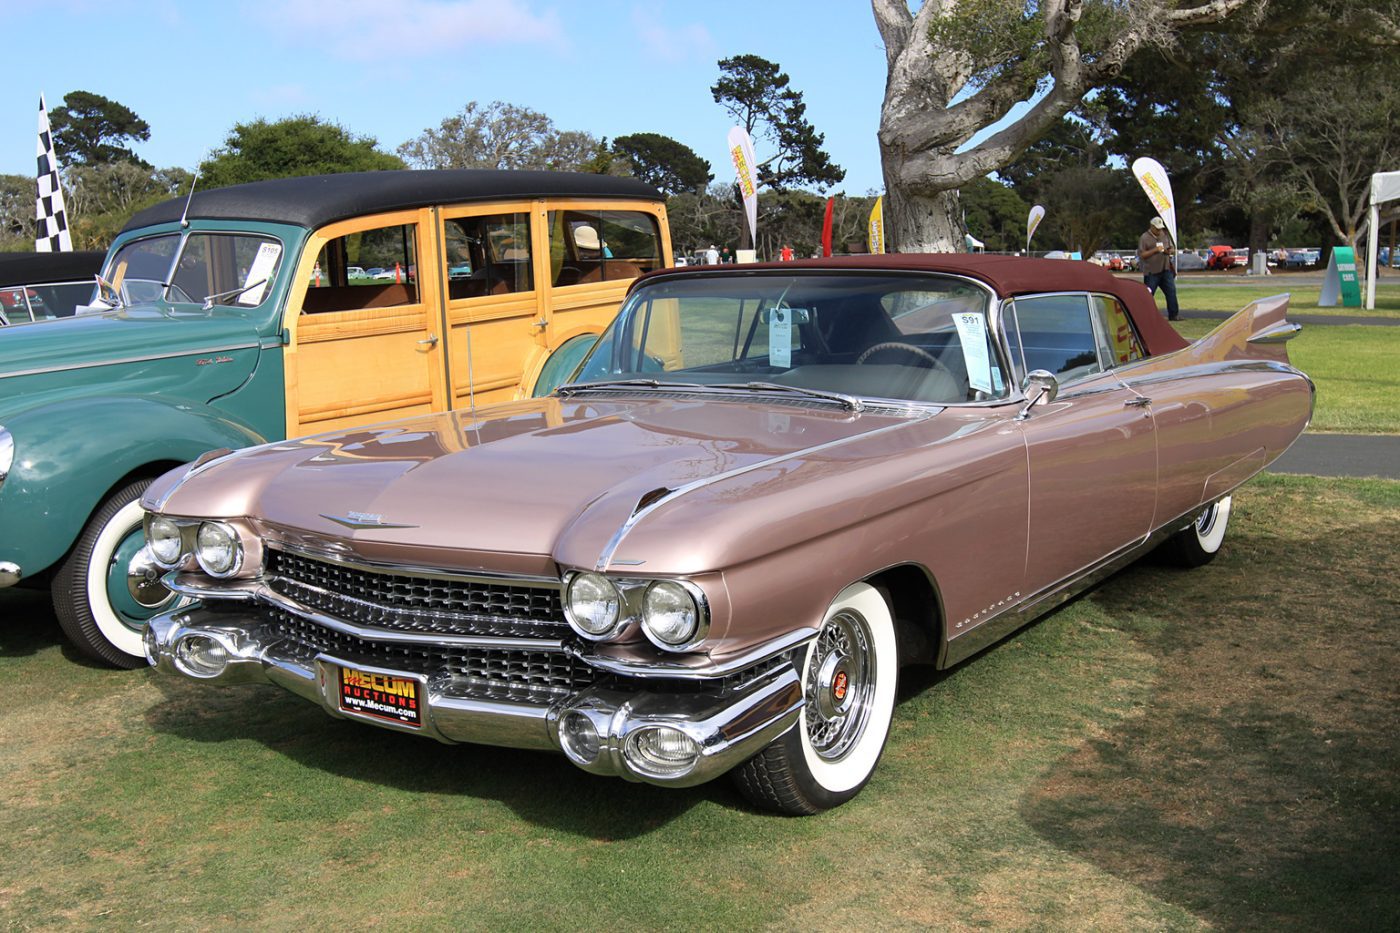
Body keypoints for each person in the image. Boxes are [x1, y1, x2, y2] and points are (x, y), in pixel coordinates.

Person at [1138, 217, 1180, 321]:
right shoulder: (1144, 238)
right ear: (1151, 226)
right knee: (1148, 294)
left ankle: (1173, 315)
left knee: (1171, 292)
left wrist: (1169, 251)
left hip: (1165, 269)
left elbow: (1171, 248)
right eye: (1157, 228)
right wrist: (1155, 250)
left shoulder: (1165, 235)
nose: (1159, 231)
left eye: (1160, 228)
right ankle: (1144, 316)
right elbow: (1142, 254)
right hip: (1152, 271)